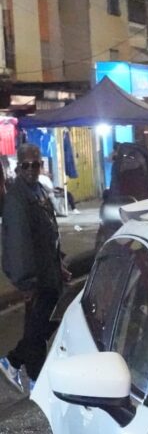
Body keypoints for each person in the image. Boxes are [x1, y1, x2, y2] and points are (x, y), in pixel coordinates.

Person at [0, 144, 70, 390]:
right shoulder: (17, 198)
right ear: (19, 167)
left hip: (48, 273)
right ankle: (16, 362)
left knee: (41, 327)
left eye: (36, 164)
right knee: (40, 328)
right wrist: (26, 281)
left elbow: (48, 232)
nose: (31, 169)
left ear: (41, 164)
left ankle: (26, 370)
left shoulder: (38, 190)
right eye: (26, 165)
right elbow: (18, 244)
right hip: (36, 278)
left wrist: (59, 262)